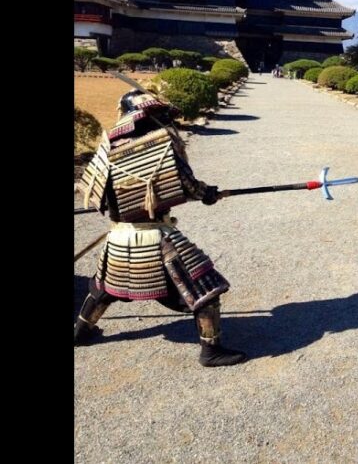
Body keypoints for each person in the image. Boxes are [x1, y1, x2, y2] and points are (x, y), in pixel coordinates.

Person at [74, 90, 246, 366]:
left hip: (119, 236)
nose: (166, 119)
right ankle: (211, 351)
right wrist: (209, 193)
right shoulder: (161, 147)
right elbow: (188, 187)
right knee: (205, 289)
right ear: (149, 115)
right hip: (156, 237)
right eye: (161, 114)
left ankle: (80, 332)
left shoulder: (108, 148)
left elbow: (95, 195)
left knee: (103, 287)